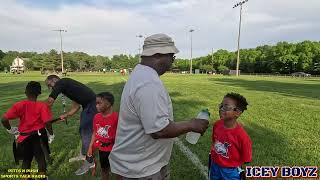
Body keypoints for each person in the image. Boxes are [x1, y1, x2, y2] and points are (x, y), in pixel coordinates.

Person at [109, 34, 209, 179]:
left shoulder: (141, 74)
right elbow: (159, 131)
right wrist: (191, 125)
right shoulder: (148, 82)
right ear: (158, 54)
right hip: (141, 169)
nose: (172, 62)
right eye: (172, 56)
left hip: (143, 164)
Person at [1, 81, 54, 178]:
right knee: (41, 158)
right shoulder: (42, 106)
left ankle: (26, 178)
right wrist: (51, 134)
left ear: (26, 92)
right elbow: (47, 122)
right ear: (39, 93)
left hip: (24, 137)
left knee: (26, 159)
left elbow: (4, 119)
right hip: (39, 136)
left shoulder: (19, 105)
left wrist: (10, 129)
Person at [44, 75, 97, 164]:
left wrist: (45, 115)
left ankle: (89, 160)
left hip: (92, 105)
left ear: (54, 79)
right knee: (83, 130)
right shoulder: (68, 87)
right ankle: (83, 154)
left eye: (49, 84)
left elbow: (50, 101)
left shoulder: (62, 82)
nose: (50, 88)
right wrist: (66, 115)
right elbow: (76, 106)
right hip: (88, 105)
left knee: (86, 131)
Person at [75, 92, 119, 180]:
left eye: (99, 103)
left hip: (115, 150)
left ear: (108, 104)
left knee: (117, 170)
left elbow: (121, 135)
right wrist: (90, 147)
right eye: (96, 103)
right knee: (104, 169)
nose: (96, 105)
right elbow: (95, 132)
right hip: (102, 150)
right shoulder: (96, 117)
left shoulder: (117, 117)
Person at [210, 92, 252, 180]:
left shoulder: (242, 136)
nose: (221, 109)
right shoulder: (217, 125)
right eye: (221, 105)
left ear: (237, 112)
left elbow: (246, 158)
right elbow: (214, 141)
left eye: (225, 107)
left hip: (231, 171)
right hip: (215, 165)